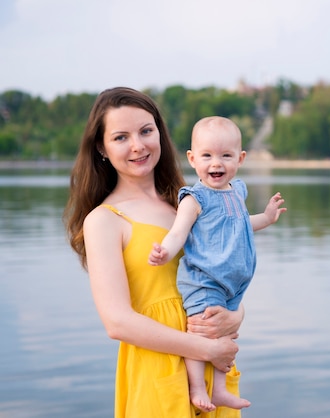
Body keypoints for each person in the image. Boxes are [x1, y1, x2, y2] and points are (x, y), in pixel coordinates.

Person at [63, 87, 245, 418]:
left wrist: (237, 315)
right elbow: (117, 322)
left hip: (212, 368)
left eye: (146, 131)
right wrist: (205, 348)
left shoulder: (190, 202)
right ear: (102, 148)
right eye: (120, 137)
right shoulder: (104, 220)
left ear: (160, 134)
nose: (138, 145)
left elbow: (224, 275)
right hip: (158, 371)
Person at [148, 116, 287, 412]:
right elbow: (178, 232)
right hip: (204, 280)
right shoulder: (194, 198)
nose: (217, 163)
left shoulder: (237, 191)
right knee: (200, 331)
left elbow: (241, 225)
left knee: (224, 334)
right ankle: (198, 387)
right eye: (207, 155)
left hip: (233, 284)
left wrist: (267, 218)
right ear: (192, 158)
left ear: (240, 158)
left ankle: (220, 389)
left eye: (226, 155)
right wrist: (165, 252)